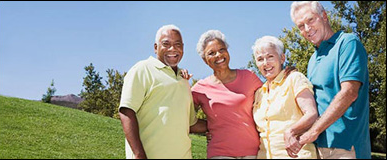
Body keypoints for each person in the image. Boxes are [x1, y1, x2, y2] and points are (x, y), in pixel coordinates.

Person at [290, 1, 371, 159]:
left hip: (346, 146)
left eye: (311, 20)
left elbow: (349, 93)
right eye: (301, 26)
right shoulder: (313, 59)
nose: (307, 29)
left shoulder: (347, 43)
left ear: (324, 16)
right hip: (320, 147)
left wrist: (313, 132)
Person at [118, 24, 207, 159]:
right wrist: (138, 154)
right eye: (166, 44)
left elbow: (191, 124)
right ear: (156, 48)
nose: (173, 49)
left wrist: (221, 125)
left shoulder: (183, 81)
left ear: (183, 48)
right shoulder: (142, 69)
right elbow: (126, 111)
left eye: (178, 44)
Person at [191, 30, 263, 159]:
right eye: (211, 53)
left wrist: (287, 74)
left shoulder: (249, 77)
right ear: (205, 60)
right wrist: (211, 126)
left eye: (222, 49)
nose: (218, 55)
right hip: (220, 153)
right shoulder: (199, 89)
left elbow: (272, 97)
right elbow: (185, 121)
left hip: (252, 152)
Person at [251, 35, 318, 159]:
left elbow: (312, 114)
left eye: (270, 56)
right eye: (260, 59)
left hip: (297, 155)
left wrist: (291, 131)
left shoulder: (294, 78)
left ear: (282, 58)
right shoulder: (259, 93)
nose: (266, 63)